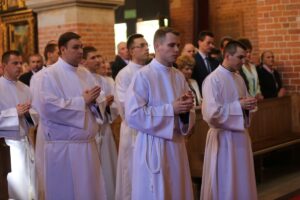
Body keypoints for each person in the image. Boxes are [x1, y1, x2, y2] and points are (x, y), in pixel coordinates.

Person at [125, 27, 195, 200]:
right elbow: (133, 115)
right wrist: (171, 109)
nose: (177, 50)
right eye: (171, 45)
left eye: (178, 45)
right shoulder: (143, 76)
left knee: (177, 191)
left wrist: (186, 109)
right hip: (153, 145)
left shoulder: (178, 76)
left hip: (176, 145)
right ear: (157, 46)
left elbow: (187, 111)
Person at [38, 32, 107, 199]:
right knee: (67, 192)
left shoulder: (84, 73)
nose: (80, 51)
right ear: (62, 49)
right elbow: (48, 107)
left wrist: (96, 102)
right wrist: (82, 101)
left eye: (81, 47)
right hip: (65, 148)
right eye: (75, 47)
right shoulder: (49, 74)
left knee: (90, 193)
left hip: (88, 146)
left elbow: (98, 99)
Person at [200, 41, 258, 200]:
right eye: (240, 57)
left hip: (240, 138)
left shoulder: (239, 78)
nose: (243, 61)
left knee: (242, 179)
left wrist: (248, 106)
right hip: (223, 139)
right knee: (226, 181)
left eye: (245, 57)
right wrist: (238, 105)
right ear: (227, 55)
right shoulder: (213, 79)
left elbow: (243, 105)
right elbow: (211, 114)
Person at [114, 33, 149, 200]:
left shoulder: (152, 70)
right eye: (141, 46)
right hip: (134, 132)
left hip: (153, 130)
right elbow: (124, 105)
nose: (146, 48)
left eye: (147, 45)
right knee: (132, 175)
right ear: (131, 51)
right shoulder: (124, 74)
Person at [0, 50, 37, 200]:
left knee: (30, 187)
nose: (19, 66)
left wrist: (28, 114)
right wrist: (14, 112)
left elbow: (35, 114)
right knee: (14, 190)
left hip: (26, 143)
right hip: (7, 146)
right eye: (15, 63)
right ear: (3, 66)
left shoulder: (26, 88)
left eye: (21, 63)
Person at [82, 46, 118, 200]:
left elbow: (115, 107)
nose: (98, 60)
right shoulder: (81, 79)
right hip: (89, 130)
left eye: (98, 57)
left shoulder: (104, 80)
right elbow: (83, 104)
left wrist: (108, 105)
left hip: (105, 128)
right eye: (93, 58)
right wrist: (100, 103)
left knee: (108, 166)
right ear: (83, 61)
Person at [29, 42, 59, 199]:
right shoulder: (39, 77)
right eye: (57, 52)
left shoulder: (62, 73)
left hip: (62, 128)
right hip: (46, 125)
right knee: (46, 164)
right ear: (49, 54)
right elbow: (35, 103)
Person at [192, 31, 219, 95]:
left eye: (212, 43)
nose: (211, 46)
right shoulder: (193, 60)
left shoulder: (215, 61)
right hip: (200, 96)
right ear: (199, 43)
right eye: (208, 43)